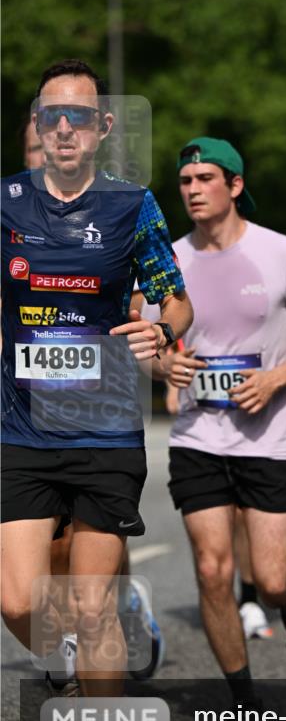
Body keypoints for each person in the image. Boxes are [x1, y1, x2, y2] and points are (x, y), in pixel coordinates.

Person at [1, 59, 192, 721]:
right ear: (38, 126)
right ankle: (81, 653)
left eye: (80, 115)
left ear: (104, 127)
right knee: (18, 596)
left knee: (88, 605)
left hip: (107, 425)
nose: (64, 128)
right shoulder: (6, 204)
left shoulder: (132, 206)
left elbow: (174, 300)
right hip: (19, 425)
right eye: (52, 115)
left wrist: (158, 328)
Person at [154, 136, 286, 707]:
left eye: (205, 179)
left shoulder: (281, 252)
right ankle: (242, 699)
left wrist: (277, 378)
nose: (192, 190)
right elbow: (149, 340)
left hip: (270, 439)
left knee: (274, 577)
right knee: (213, 571)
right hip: (197, 436)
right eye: (186, 181)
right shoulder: (169, 260)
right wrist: (165, 361)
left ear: (235, 186)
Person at [20, 115, 167, 684]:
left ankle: (117, 609)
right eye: (34, 148)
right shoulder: (12, 219)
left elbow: (142, 309)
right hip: (23, 416)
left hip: (96, 417)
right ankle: (68, 639)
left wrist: (157, 346)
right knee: (45, 561)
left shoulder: (107, 219)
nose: (45, 155)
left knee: (88, 563)